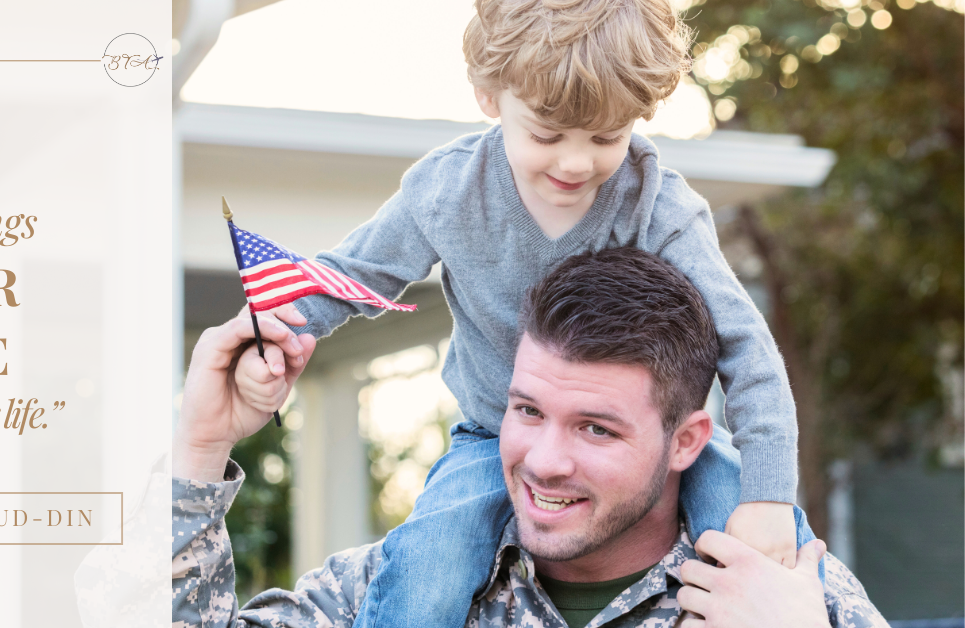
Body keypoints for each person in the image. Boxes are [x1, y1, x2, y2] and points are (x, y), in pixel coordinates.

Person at [235, 1, 816, 627]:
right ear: (489, 95)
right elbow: (354, 274)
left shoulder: (659, 205)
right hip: (492, 436)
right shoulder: (449, 191)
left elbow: (747, 347)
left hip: (653, 450)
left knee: (757, 550)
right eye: (546, 134)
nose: (574, 163)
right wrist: (275, 330)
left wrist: (767, 495)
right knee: (425, 575)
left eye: (605, 137)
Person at [73, 248, 887, 628]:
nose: (543, 458)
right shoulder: (393, 590)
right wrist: (199, 448)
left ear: (687, 441)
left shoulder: (786, 601)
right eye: (526, 410)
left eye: (596, 427)